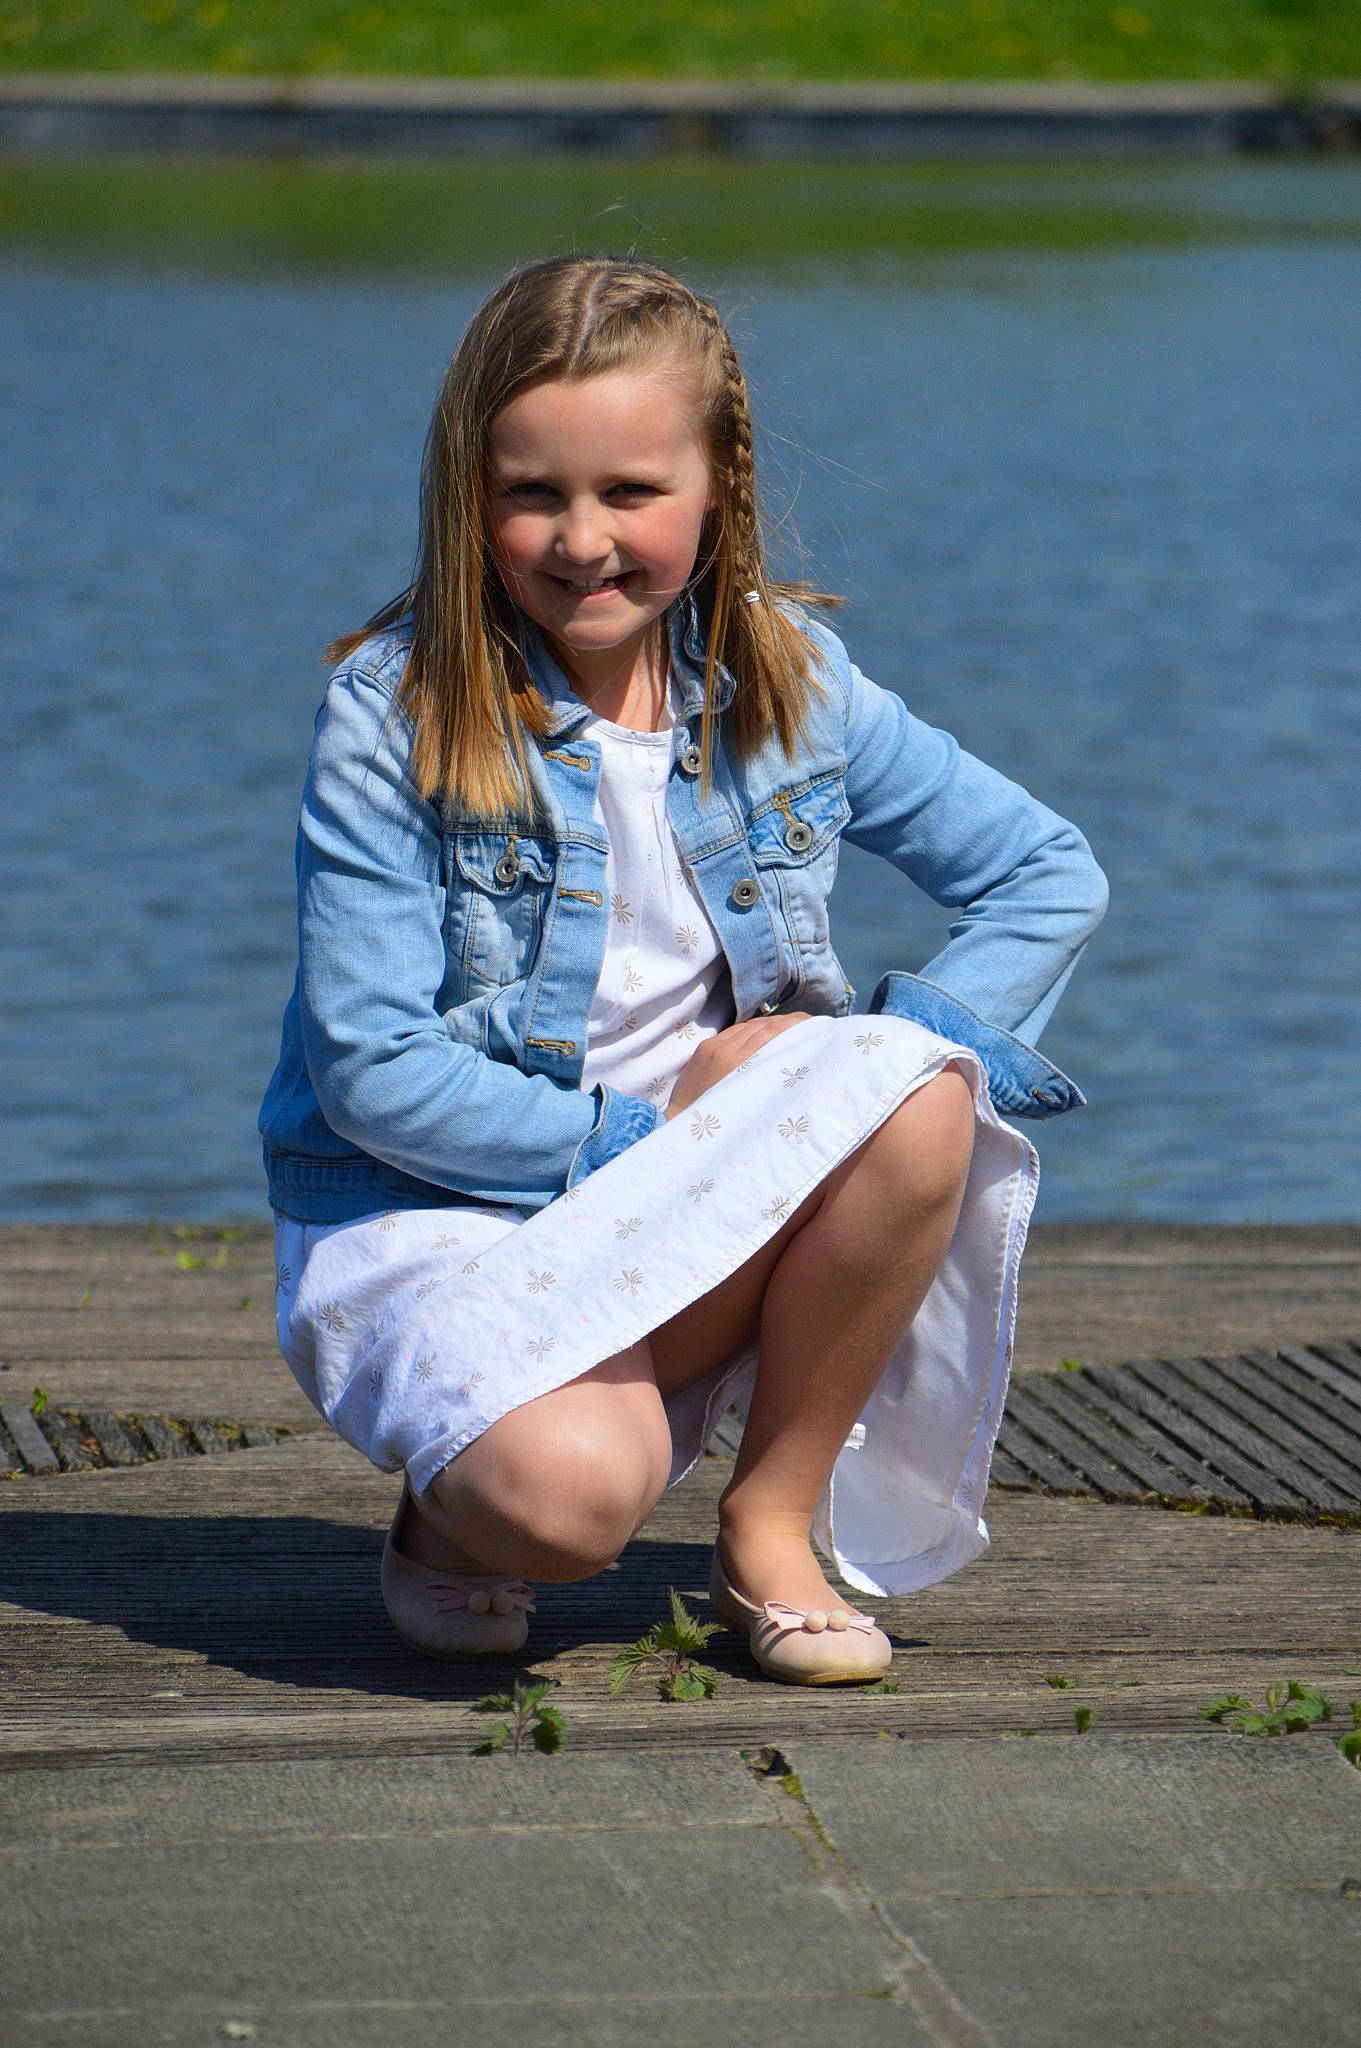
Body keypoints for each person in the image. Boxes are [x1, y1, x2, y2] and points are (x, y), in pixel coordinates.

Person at [260, 254, 1106, 1686]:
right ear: (468, 493)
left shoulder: (793, 680)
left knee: (912, 1096)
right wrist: (662, 1142)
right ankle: (456, 1506)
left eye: (630, 494)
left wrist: (842, 1069)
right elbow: (368, 1067)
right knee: (563, 1509)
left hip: (710, 1203)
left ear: (719, 486)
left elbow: (1044, 872)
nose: (580, 541)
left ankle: (767, 1520)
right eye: (532, 493)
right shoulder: (396, 709)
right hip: (447, 1202)